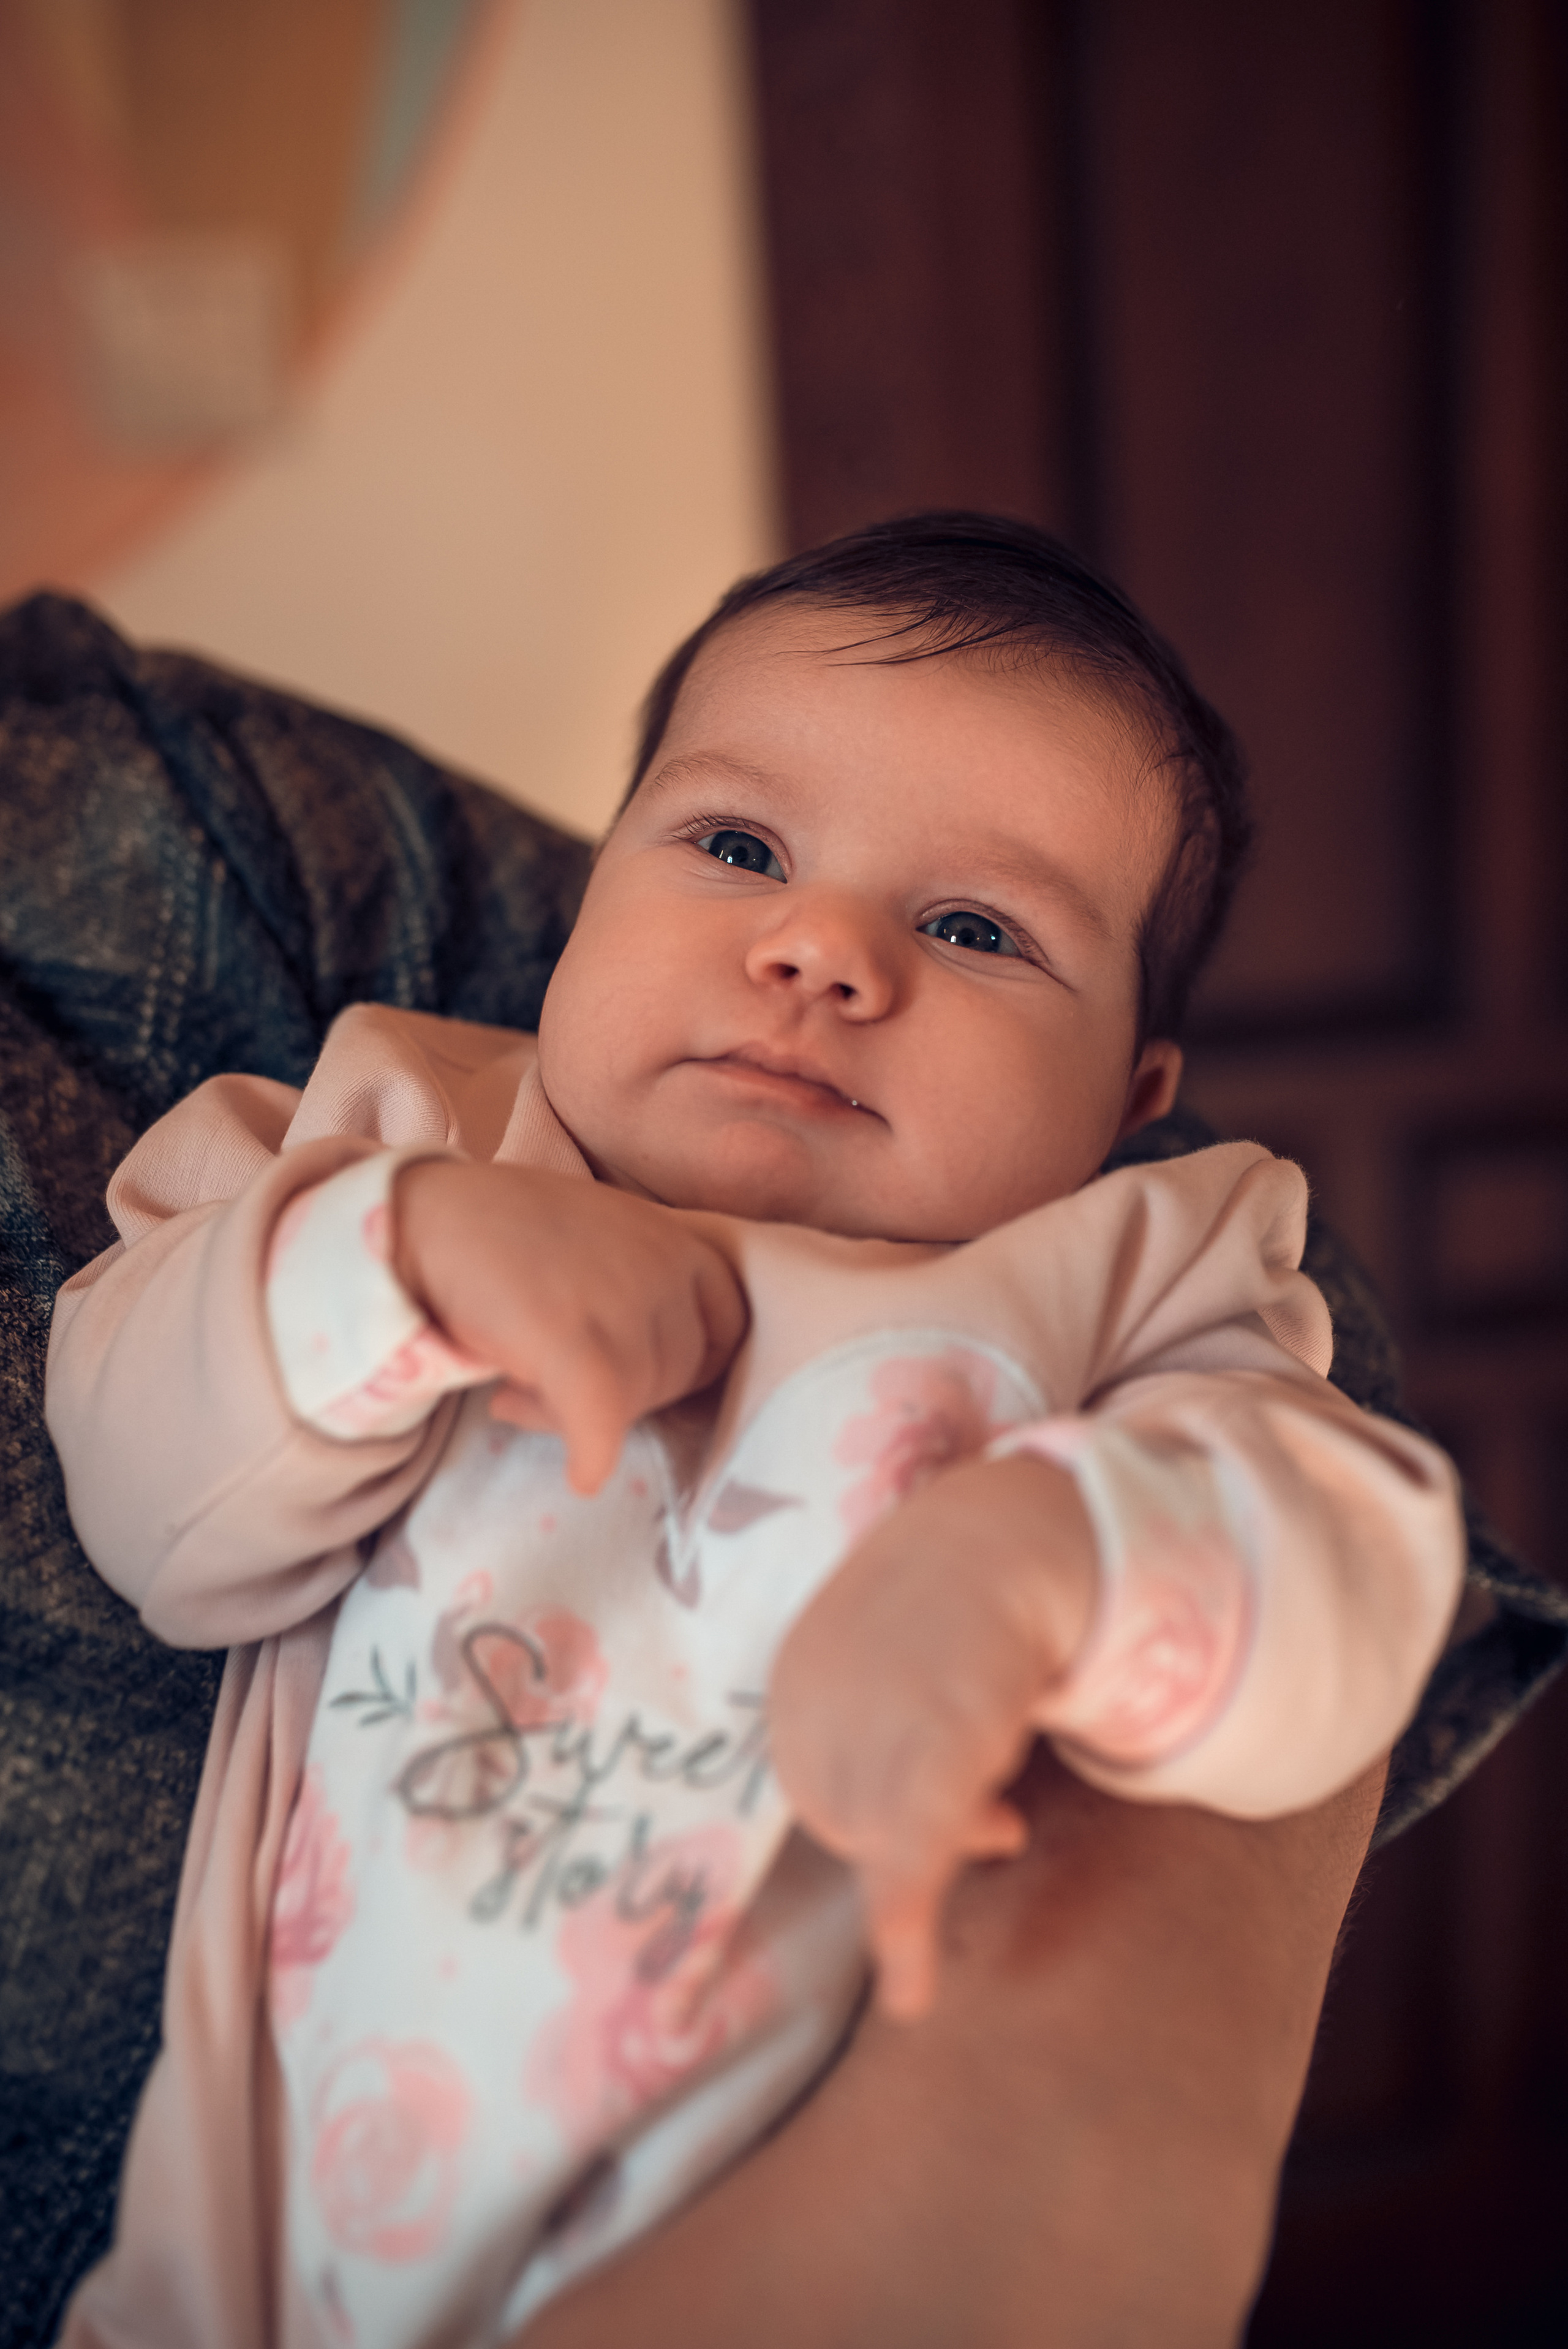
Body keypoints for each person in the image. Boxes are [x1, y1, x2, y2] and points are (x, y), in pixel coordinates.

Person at [45, 515, 1463, 2348]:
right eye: (735, 846)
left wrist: (1063, 1556)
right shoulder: (401, 1135)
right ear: (587, 894)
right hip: (249, 2281)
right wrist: (402, 1266)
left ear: (1130, 1102)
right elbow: (146, 1488)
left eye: (973, 926)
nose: (819, 948)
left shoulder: (1144, 1272)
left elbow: (1356, 1568)